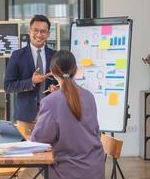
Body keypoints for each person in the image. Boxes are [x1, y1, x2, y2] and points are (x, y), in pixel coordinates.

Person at [30, 50, 105, 179]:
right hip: (96, 170)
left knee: (32, 169)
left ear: (52, 72)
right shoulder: (89, 96)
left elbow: (38, 140)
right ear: (75, 70)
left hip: (68, 172)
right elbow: (95, 131)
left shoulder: (50, 101)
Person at [4, 14, 57, 134]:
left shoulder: (54, 56)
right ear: (29, 31)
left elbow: (61, 82)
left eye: (43, 31)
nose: (39, 34)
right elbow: (8, 86)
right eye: (35, 30)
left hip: (50, 115)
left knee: (48, 151)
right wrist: (31, 82)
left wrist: (57, 89)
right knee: (26, 151)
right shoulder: (17, 55)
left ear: (48, 34)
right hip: (26, 117)